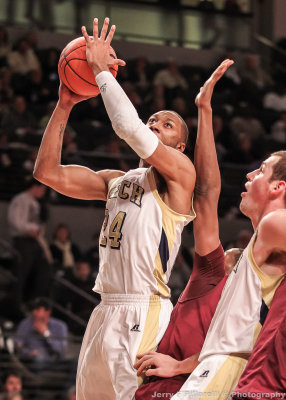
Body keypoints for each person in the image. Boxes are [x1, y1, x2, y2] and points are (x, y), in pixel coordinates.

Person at [33, 18, 196, 400]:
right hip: (104, 309)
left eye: (167, 124)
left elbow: (129, 128)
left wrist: (102, 72)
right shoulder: (114, 180)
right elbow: (46, 172)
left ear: (181, 147)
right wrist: (65, 102)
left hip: (144, 310)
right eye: (153, 119)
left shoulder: (180, 177)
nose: (155, 125)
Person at [134, 60, 235, 400]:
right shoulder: (212, 276)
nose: (232, 254)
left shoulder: (257, 307)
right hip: (153, 385)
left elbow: (242, 353)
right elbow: (207, 194)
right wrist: (204, 109)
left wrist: (179, 366)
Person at [171, 159, 286, 395]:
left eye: (262, 170)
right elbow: (232, 336)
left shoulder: (272, 224)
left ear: (278, 187)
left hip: (230, 369)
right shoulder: (254, 249)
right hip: (221, 366)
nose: (250, 174)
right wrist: (181, 365)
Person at [7, 178, 51, 303]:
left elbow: (38, 223)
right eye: (42, 189)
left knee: (42, 269)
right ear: (36, 187)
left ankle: (34, 301)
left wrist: (38, 230)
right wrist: (28, 229)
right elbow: (15, 221)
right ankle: (16, 302)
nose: (43, 193)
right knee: (21, 273)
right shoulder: (20, 199)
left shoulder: (35, 203)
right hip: (22, 240)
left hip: (35, 240)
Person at [14, 298, 68, 366]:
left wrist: (46, 333)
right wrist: (29, 353)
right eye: (33, 309)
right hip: (31, 361)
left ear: (48, 312)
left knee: (75, 363)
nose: (34, 312)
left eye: (37, 310)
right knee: (39, 358)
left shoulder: (60, 326)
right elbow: (17, 345)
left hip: (53, 361)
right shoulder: (25, 324)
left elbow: (62, 351)